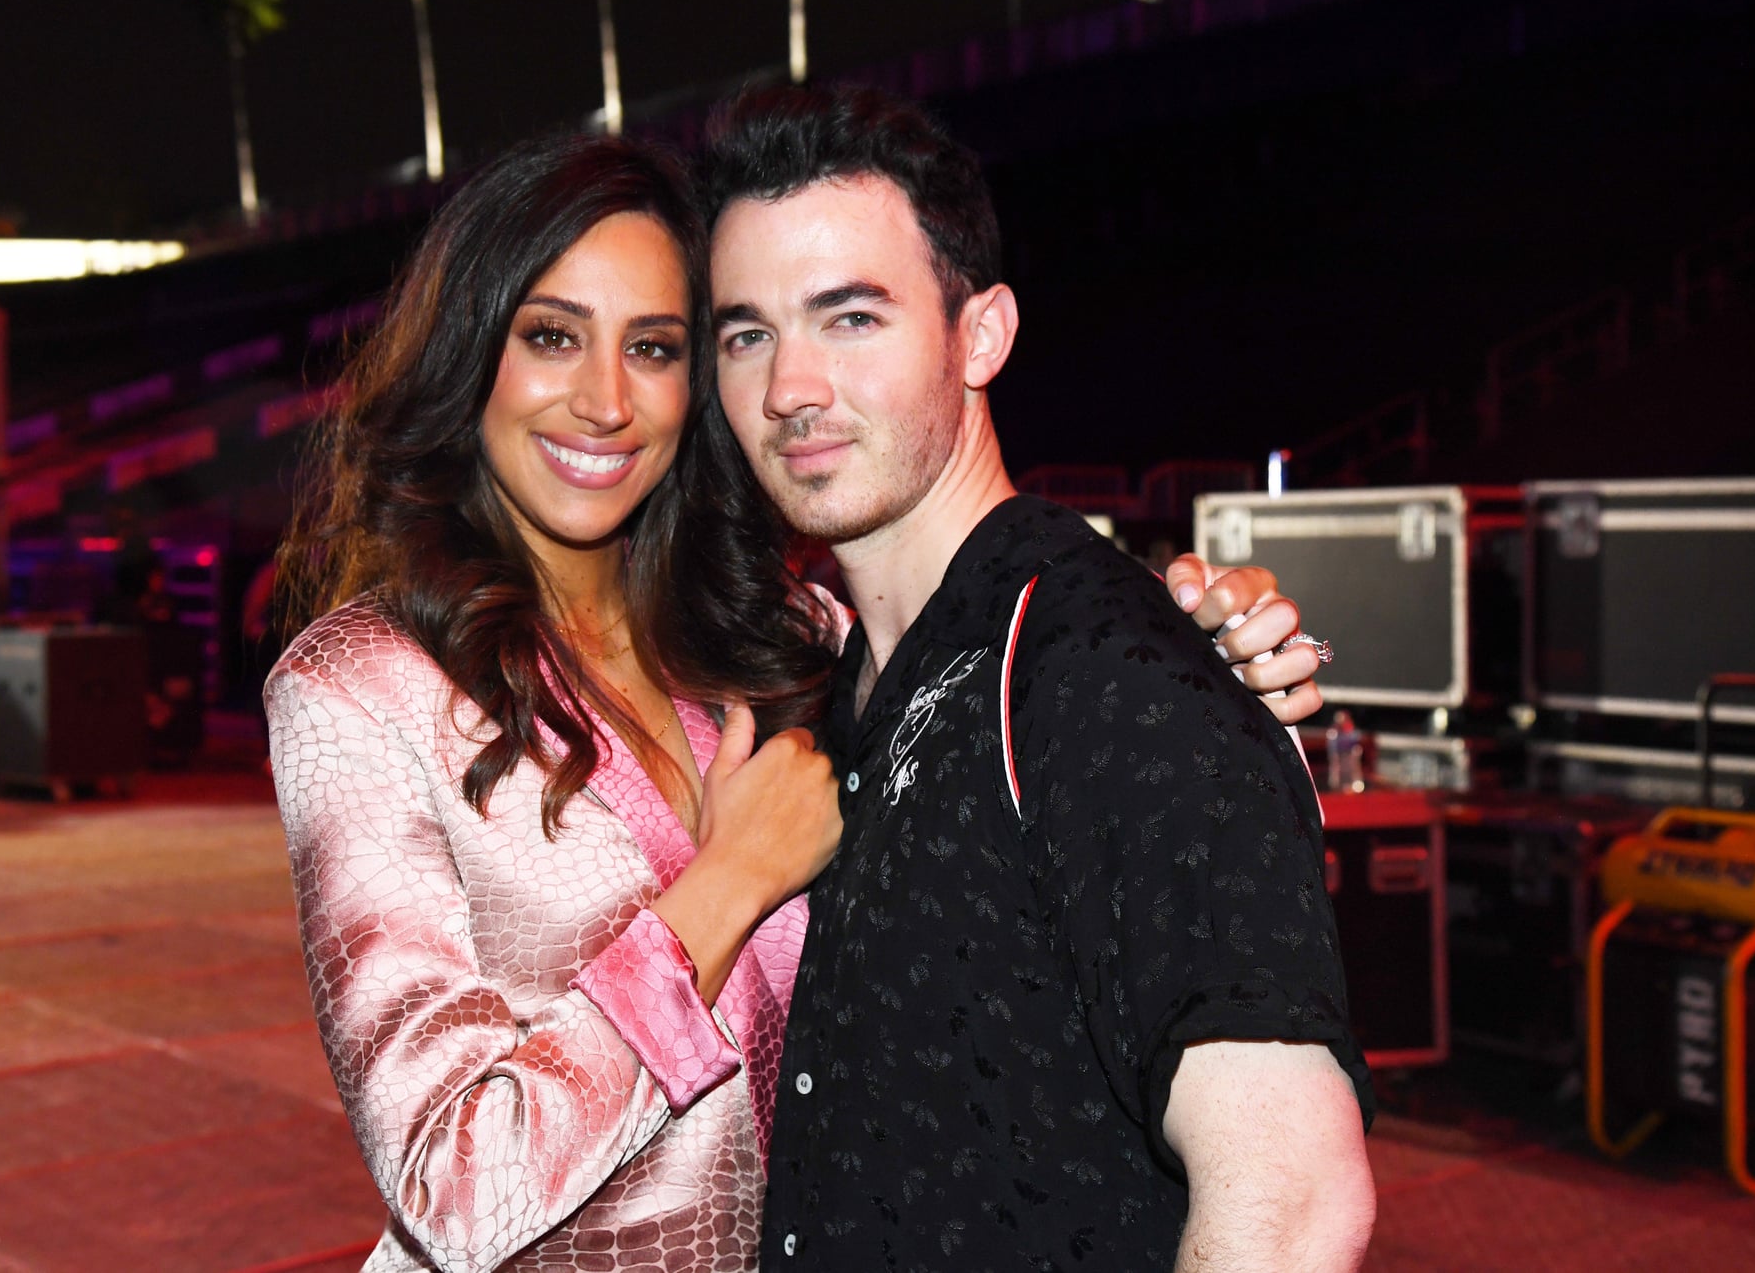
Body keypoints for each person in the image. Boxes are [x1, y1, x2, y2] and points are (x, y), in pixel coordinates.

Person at [266, 135, 1324, 1272]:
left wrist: (1197, 643)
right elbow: (450, 1188)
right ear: (471, 349)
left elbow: (1020, 676)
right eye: (551, 336)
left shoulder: (781, 642)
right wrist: (723, 891)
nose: (604, 401)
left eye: (657, 347)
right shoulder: (361, 690)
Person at [701, 84, 1375, 1272]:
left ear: (980, 334)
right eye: (746, 332)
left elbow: (1293, 1201)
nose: (787, 388)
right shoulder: (842, 682)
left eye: (849, 318)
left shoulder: (1100, 674)